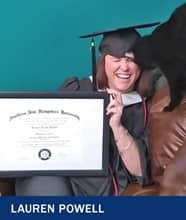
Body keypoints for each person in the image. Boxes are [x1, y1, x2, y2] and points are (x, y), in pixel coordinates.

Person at [15, 23, 160, 195]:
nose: (124, 67)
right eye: (116, 59)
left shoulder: (146, 107)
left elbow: (140, 171)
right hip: (56, 178)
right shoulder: (78, 90)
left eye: (131, 59)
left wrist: (118, 127)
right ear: (103, 61)